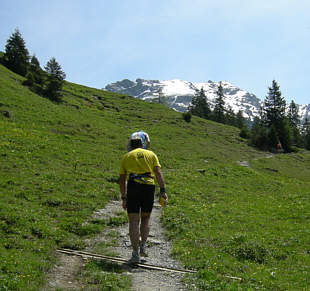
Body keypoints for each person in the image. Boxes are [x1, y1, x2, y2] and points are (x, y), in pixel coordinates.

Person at [120, 134, 167, 264]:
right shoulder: (151, 154)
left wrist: (124, 197)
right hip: (148, 187)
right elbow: (158, 173)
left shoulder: (126, 157)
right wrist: (163, 191)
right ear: (142, 144)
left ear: (131, 146)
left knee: (133, 221)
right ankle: (143, 246)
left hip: (133, 186)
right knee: (146, 218)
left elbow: (122, 180)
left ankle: (135, 254)